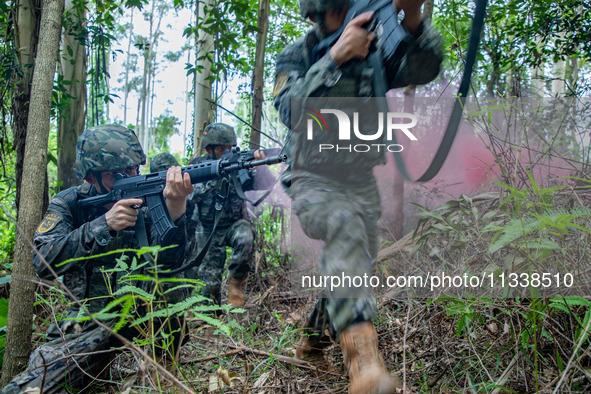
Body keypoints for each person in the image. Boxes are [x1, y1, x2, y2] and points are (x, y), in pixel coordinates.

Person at [273, 0, 442, 392]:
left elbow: (423, 68)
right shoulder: (298, 55)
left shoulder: (375, 44)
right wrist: (334, 58)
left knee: (353, 264)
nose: (344, 15)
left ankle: (311, 342)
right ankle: (363, 363)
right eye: (334, 10)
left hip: (359, 179)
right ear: (314, 15)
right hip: (311, 176)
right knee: (344, 224)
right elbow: (290, 111)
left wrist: (412, 16)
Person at [2, 124, 194, 393]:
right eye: (117, 174)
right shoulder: (69, 203)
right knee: (29, 388)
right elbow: (42, 260)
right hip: (88, 320)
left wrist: (176, 209)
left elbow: (174, 264)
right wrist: (103, 225)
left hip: (143, 312)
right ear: (91, 178)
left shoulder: (151, 197)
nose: (130, 177)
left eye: (133, 169)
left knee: (169, 286)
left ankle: (162, 367)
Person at [184, 123, 256, 308]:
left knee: (246, 237)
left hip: (235, 224)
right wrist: (213, 180)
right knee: (210, 282)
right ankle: (211, 318)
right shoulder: (198, 166)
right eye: (222, 149)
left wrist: (257, 167)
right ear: (209, 149)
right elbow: (189, 197)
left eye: (230, 148)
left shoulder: (239, 162)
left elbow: (259, 184)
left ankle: (235, 283)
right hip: (208, 230)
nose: (227, 152)